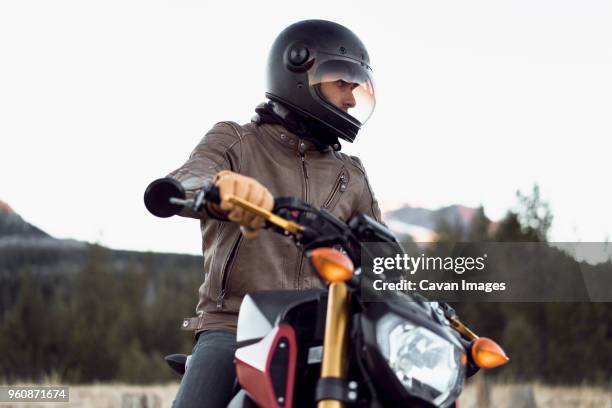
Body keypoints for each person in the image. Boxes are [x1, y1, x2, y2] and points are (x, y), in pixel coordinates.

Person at [168, 19, 382, 408]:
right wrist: (217, 188)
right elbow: (191, 176)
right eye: (342, 85)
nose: (351, 100)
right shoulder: (238, 141)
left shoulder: (351, 173)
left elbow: (382, 261)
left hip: (324, 334)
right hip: (234, 327)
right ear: (301, 71)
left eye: (354, 88)